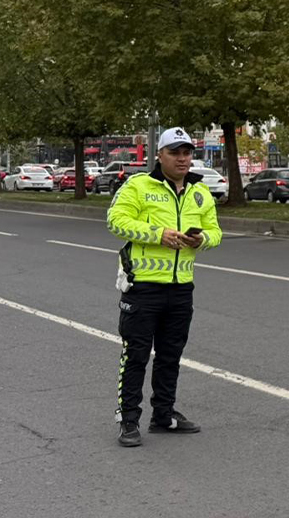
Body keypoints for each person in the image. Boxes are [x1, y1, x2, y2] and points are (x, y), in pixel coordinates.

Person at [108, 127, 223, 448]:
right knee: (136, 355)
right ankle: (128, 420)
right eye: (175, 152)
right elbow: (115, 221)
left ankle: (164, 415)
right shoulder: (139, 185)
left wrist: (201, 240)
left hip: (181, 288)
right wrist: (158, 234)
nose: (182, 158)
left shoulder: (200, 192)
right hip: (142, 288)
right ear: (159, 155)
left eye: (186, 152)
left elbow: (215, 232)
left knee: (171, 355)